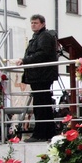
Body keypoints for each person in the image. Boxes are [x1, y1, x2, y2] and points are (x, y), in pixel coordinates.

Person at [16, 14, 58, 142]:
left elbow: (42, 54)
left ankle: (41, 133)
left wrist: (25, 60)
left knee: (41, 105)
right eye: (32, 23)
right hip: (38, 75)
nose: (33, 25)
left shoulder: (44, 36)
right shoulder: (38, 37)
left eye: (35, 23)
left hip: (42, 75)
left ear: (43, 24)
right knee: (40, 104)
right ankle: (45, 132)